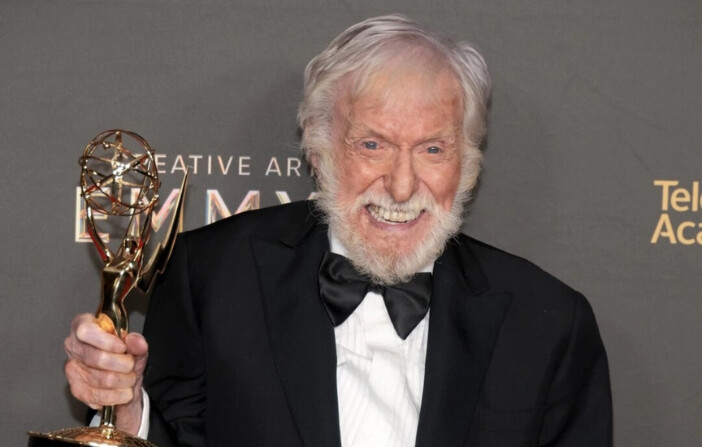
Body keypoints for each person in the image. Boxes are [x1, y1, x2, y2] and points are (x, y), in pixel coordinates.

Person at [64, 14, 612, 446]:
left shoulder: (548, 324)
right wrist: (125, 408)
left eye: (432, 149)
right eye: (372, 144)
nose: (401, 186)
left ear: (467, 163)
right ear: (319, 148)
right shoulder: (209, 277)